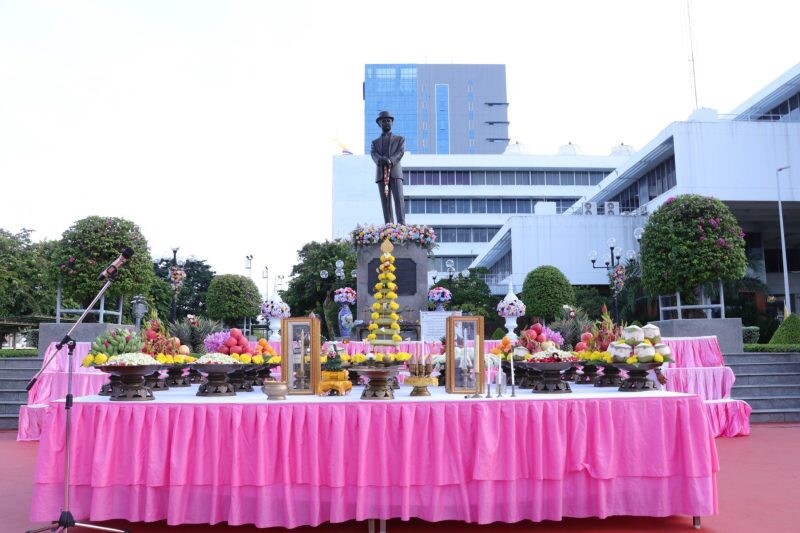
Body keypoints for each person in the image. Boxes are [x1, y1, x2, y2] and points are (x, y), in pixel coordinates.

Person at [370, 111, 406, 224]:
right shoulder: (374, 142)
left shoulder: (399, 139)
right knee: (385, 202)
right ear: (379, 124)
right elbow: (373, 154)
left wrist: (390, 160)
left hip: (395, 173)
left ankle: (401, 225)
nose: (386, 123)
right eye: (383, 121)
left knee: (398, 199)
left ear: (392, 122)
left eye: (388, 121)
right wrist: (381, 160)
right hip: (381, 174)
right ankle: (389, 225)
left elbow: (400, 152)